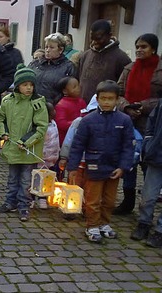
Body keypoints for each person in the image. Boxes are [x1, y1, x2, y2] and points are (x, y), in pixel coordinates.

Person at [66, 80, 134, 243]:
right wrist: (73, 167)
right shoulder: (88, 120)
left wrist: (123, 166)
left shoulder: (124, 120)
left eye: (110, 99)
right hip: (94, 166)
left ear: (117, 99)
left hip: (114, 168)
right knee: (93, 199)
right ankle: (92, 225)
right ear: (97, 98)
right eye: (103, 98)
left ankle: (105, 223)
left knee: (110, 200)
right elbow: (78, 145)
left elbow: (128, 146)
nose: (106, 102)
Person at [115, 33, 161, 215]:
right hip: (129, 121)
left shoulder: (160, 69)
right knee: (129, 161)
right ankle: (128, 201)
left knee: (148, 163)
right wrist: (126, 107)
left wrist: (144, 106)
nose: (139, 50)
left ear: (154, 49)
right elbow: (117, 93)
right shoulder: (128, 68)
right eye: (138, 47)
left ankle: (147, 204)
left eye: (144, 47)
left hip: (152, 123)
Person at [0, 65, 49, 221]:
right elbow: (1, 119)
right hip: (12, 148)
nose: (29, 88)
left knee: (26, 180)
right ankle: (10, 201)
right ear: (18, 85)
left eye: (31, 85)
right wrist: (3, 134)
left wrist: (26, 141)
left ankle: (24, 205)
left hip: (27, 150)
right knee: (12, 178)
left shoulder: (38, 103)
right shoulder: (7, 101)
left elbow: (40, 127)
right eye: (25, 84)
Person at [130, 94, 162, 247]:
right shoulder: (160, 104)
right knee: (148, 195)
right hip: (158, 155)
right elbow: (152, 123)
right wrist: (149, 141)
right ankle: (144, 222)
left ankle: (160, 231)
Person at [78, 19, 131, 103]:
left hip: (106, 107)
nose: (94, 42)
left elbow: (123, 89)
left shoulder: (122, 58)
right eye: (92, 39)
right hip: (83, 107)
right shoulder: (85, 55)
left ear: (109, 35)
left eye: (98, 39)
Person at [28, 33, 77, 105]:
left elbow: (70, 92)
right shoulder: (35, 64)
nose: (47, 50)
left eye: (51, 47)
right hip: (30, 105)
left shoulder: (68, 67)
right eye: (46, 47)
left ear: (60, 50)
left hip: (52, 108)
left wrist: (53, 104)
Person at [54, 76, 86, 146]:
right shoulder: (61, 105)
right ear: (65, 91)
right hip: (66, 139)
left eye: (78, 86)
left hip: (80, 136)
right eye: (74, 87)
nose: (78, 89)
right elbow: (61, 124)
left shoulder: (81, 102)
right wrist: (78, 123)